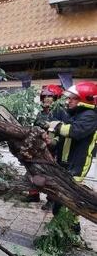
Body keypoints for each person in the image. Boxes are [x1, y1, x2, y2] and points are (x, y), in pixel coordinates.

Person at [48, 82, 97, 232]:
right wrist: (52, 142)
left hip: (77, 166)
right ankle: (60, 230)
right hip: (64, 163)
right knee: (59, 200)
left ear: (85, 99)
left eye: (73, 98)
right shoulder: (75, 114)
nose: (68, 101)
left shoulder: (91, 116)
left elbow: (75, 131)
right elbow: (64, 139)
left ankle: (73, 232)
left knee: (69, 202)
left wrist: (54, 125)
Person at [26, 84, 67, 208]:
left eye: (50, 96)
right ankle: (33, 194)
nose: (47, 98)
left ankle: (51, 200)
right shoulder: (41, 113)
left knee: (51, 175)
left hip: (54, 149)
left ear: (56, 98)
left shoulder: (61, 113)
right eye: (45, 96)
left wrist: (53, 140)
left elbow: (64, 133)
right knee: (33, 169)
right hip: (39, 147)